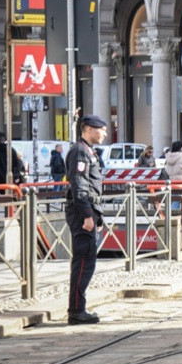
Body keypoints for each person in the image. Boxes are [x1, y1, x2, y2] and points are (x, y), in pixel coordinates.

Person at [64, 115, 108, 325]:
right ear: (89, 129)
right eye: (102, 129)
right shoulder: (80, 151)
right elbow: (79, 186)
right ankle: (76, 310)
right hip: (82, 212)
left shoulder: (88, 151)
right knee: (83, 262)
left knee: (86, 261)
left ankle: (78, 308)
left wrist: (96, 216)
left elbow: (90, 186)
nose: (105, 134)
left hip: (89, 211)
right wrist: (88, 216)